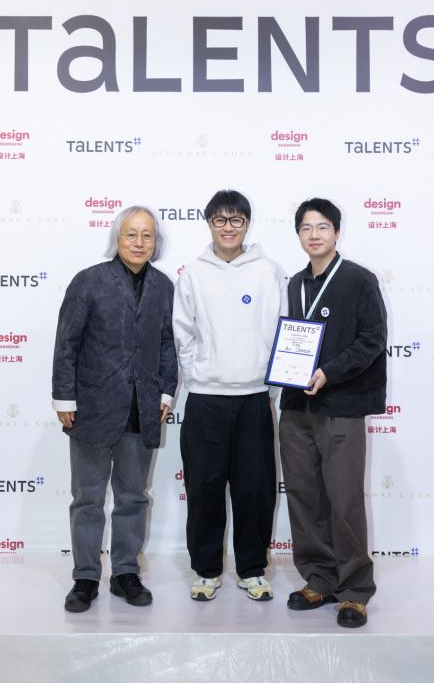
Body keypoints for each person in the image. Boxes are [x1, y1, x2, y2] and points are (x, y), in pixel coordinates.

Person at [52, 206, 177, 613]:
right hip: (91, 409)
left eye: (147, 235)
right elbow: (67, 343)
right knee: (87, 499)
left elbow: (166, 343)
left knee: (133, 498)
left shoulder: (163, 286)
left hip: (142, 409)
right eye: (131, 234)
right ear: (117, 239)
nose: (139, 242)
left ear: (156, 242)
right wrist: (64, 398)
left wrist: (166, 393)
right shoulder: (88, 281)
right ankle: (85, 578)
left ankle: (125, 573)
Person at [173, 189, 287, 602]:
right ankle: (206, 571)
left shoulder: (269, 272)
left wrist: (269, 384)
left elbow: (282, 329)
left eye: (236, 220)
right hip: (205, 399)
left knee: (255, 489)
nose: (228, 227)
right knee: (204, 489)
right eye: (219, 220)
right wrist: (199, 375)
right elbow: (182, 332)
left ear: (247, 224)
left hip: (254, 398)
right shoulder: (193, 274)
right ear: (209, 224)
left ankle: (252, 570)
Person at [279, 197, 387, 628]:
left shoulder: (359, 279)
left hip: (342, 404)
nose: (314, 235)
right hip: (296, 406)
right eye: (306, 228)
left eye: (323, 227)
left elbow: (372, 339)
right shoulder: (295, 284)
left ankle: (355, 591)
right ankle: (319, 578)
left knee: (344, 501)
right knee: (304, 497)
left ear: (337, 232)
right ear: (298, 234)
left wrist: (329, 372)